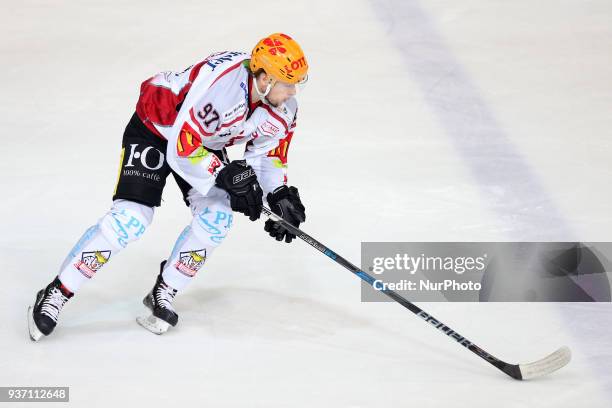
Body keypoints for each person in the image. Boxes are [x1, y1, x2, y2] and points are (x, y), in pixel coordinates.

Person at [27, 33, 308, 340]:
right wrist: (225, 174)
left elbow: (267, 157)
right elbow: (181, 148)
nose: (293, 91)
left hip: (201, 141)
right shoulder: (222, 90)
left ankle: (164, 290)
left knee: (217, 218)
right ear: (264, 79)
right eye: (287, 82)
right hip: (155, 127)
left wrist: (278, 194)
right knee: (130, 220)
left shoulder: (283, 107)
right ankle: (56, 292)